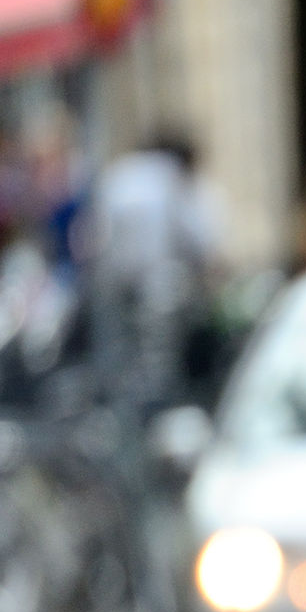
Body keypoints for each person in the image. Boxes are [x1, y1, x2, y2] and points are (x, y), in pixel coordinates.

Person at [82, 131, 221, 409]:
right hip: (158, 285)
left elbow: (94, 236)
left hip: (115, 285)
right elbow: (196, 236)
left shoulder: (118, 174)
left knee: (120, 365)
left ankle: (125, 417)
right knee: (161, 367)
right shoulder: (169, 178)